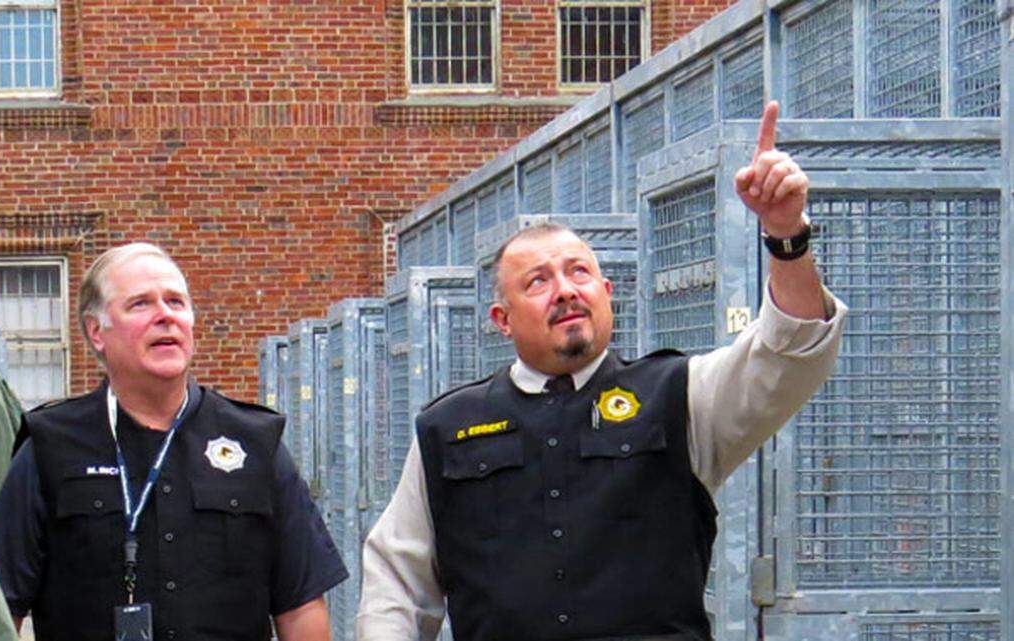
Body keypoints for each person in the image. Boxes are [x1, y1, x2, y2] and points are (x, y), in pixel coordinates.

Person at [356, 101, 848, 641]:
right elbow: (396, 586)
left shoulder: (678, 396)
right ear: (502, 319)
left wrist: (786, 236)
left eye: (579, 272)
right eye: (538, 281)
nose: (565, 289)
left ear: (606, 293)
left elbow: (790, 353)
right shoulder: (447, 428)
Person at [0, 243, 347, 641]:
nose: (166, 316)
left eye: (176, 301)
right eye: (140, 304)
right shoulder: (51, 447)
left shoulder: (255, 443)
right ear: (95, 331)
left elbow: (301, 607)